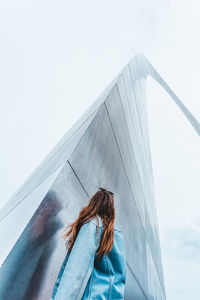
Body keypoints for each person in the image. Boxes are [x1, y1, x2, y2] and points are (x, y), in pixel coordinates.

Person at [51, 187, 126, 300]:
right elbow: (119, 283)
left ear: (93, 204)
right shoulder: (117, 237)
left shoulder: (93, 226)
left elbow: (74, 274)